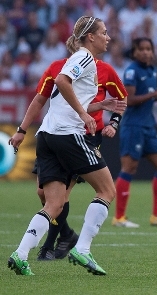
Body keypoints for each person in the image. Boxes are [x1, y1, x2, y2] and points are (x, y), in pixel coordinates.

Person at [7, 16, 116, 276]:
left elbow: (65, 92)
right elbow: (62, 82)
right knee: (106, 190)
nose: (108, 37)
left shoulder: (74, 60)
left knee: (53, 204)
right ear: (91, 36)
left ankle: (20, 254)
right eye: (104, 32)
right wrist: (84, 115)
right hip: (68, 135)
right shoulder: (84, 58)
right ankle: (83, 249)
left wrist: (94, 108)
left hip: (47, 136)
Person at [22, 51, 127, 261]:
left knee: (63, 195)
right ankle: (67, 235)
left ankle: (49, 247)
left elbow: (122, 97)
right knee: (43, 194)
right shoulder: (56, 68)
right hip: (56, 134)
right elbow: (41, 99)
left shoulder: (104, 69)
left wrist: (114, 123)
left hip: (84, 137)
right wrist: (22, 130)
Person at [113, 37, 157, 228]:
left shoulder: (153, 70)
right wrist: (155, 94)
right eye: (141, 49)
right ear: (134, 52)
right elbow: (130, 100)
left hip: (148, 126)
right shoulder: (132, 71)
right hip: (133, 126)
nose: (145, 52)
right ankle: (119, 218)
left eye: (148, 49)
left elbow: (152, 98)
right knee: (129, 168)